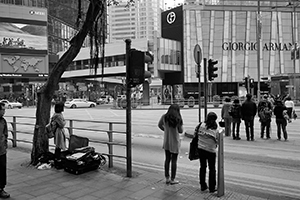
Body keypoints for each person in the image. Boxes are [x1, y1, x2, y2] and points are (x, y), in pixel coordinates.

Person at [158, 104, 183, 185]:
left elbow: (159, 125)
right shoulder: (178, 119)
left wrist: (165, 129)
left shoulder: (164, 117)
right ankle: (173, 179)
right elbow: (180, 131)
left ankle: (167, 178)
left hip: (167, 141)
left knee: (167, 159)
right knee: (174, 160)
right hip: (175, 141)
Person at [195, 112, 219, 193]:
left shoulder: (200, 125)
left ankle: (203, 185)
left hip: (201, 148)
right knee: (212, 168)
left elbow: (195, 134)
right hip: (211, 150)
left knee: (203, 167)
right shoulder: (215, 130)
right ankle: (212, 187)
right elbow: (218, 141)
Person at [51, 102, 67, 167]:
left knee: (58, 145)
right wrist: (65, 121)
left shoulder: (56, 114)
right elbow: (61, 125)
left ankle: (57, 158)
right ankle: (57, 159)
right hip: (59, 131)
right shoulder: (58, 116)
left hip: (58, 131)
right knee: (59, 145)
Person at [0, 102, 10, 198]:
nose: (4, 112)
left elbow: (5, 133)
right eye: (3, 110)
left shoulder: (3, 121)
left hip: (2, 150)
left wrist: (5, 143)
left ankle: (1, 188)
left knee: (2, 169)